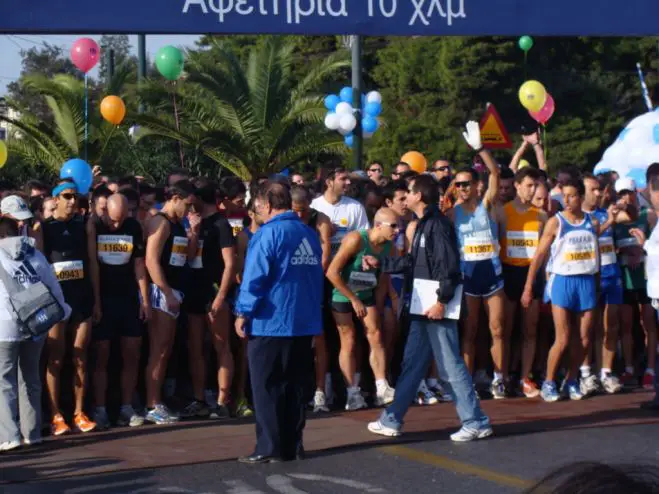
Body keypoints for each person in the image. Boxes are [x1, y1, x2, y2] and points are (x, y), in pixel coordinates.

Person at [366, 171, 491, 442]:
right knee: (412, 363)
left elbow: (450, 267)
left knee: (449, 364)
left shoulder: (437, 225)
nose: (405, 197)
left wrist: (442, 301)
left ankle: (475, 420)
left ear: (419, 196)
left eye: (409, 192)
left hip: (436, 306)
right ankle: (392, 419)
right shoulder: (423, 224)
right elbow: (414, 263)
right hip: (422, 305)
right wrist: (383, 264)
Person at [234, 182, 323, 464]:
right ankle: (293, 445)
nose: (256, 209)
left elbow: (254, 278)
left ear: (269, 204)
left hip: (271, 322)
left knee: (267, 387)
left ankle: (269, 447)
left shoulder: (267, 234)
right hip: (303, 322)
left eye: (258, 204)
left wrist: (243, 312)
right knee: (295, 388)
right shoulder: (308, 234)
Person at [522, 178, 611, 402]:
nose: (567, 200)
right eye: (565, 196)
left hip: (587, 282)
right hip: (563, 282)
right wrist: (529, 286)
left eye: (572, 196)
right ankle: (549, 382)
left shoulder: (592, 222)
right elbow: (539, 256)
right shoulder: (556, 222)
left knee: (584, 339)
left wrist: (597, 281)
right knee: (563, 338)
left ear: (581, 197)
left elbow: (595, 254)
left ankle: (572, 380)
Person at [0, 217, 71, 452]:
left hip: (4, 327)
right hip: (35, 326)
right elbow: (54, 287)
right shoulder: (35, 255)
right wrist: (62, 312)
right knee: (30, 378)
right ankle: (32, 433)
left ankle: (9, 436)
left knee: (4, 382)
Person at [446, 122, 506, 398]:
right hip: (468, 276)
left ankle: (499, 378)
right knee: (469, 332)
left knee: (497, 328)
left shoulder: (488, 204)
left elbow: (495, 172)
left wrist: (480, 149)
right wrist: (449, 190)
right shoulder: (452, 212)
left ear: (476, 185)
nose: (461, 189)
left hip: (492, 274)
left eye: (465, 184)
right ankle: (467, 381)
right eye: (458, 185)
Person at [42, 179, 101, 435]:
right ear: (55, 199)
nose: (71, 201)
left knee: (80, 355)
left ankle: (78, 412)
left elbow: (93, 262)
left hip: (82, 297)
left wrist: (96, 299)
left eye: (75, 196)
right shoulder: (44, 228)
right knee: (56, 357)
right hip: (56, 301)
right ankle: (55, 414)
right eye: (66, 196)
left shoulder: (84, 226)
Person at [326, 208, 398, 410]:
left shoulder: (389, 248)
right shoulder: (356, 239)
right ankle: (352, 393)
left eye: (398, 225)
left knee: (375, 334)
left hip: (367, 293)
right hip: (343, 293)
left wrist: (378, 302)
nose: (397, 230)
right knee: (348, 339)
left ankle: (382, 386)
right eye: (392, 226)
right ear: (378, 225)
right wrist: (352, 299)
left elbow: (383, 279)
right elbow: (332, 272)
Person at [91, 194, 150, 429]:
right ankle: (100, 408)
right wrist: (96, 302)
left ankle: (126, 406)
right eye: (112, 220)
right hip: (103, 298)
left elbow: (139, 265)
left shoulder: (133, 227)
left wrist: (144, 300)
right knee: (101, 355)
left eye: (120, 220)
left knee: (132, 351)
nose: (116, 224)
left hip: (127, 299)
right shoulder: (93, 226)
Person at [181, 180, 236, 420]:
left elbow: (231, 263)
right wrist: (193, 231)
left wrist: (221, 296)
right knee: (195, 347)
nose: (190, 207)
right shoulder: (196, 223)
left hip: (215, 292)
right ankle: (199, 398)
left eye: (193, 203)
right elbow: (190, 255)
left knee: (220, 345)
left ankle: (223, 401)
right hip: (194, 289)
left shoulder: (222, 224)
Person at [144, 180, 198, 424]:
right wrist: (166, 292)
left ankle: (158, 400)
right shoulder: (161, 222)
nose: (189, 209)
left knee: (166, 350)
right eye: (187, 204)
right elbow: (151, 261)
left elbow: (185, 256)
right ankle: (152, 404)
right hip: (162, 292)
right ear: (175, 197)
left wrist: (193, 233)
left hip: (176, 290)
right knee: (159, 349)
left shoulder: (178, 224)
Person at [499, 167, 547, 398]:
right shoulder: (503, 212)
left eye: (535, 186)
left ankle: (525, 377)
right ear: (517, 186)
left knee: (530, 329)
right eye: (528, 185)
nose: (532, 190)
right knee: (505, 330)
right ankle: (505, 375)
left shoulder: (541, 215)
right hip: (509, 273)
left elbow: (542, 253)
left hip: (532, 273)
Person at [290, 185, 333, 413]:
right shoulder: (286, 220)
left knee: (319, 336)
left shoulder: (320, 218)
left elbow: (326, 248)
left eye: (303, 211)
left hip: (314, 283)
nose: (300, 216)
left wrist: (315, 276)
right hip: (292, 285)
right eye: (296, 210)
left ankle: (320, 391)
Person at [580, 174, 623, 395]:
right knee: (588, 328)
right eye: (593, 190)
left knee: (611, 324)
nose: (597, 193)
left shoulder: (603, 213)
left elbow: (629, 216)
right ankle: (586, 374)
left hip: (611, 272)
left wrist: (625, 203)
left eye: (599, 190)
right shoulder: (577, 218)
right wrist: (609, 221)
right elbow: (589, 235)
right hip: (589, 275)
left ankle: (606, 372)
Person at [613, 178, 657, 389]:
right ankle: (629, 368)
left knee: (648, 323)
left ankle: (650, 369)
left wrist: (641, 250)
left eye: (628, 193)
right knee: (626, 325)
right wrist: (624, 251)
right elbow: (609, 248)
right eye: (621, 194)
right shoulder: (615, 221)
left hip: (645, 279)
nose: (625, 197)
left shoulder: (646, 216)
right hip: (625, 280)